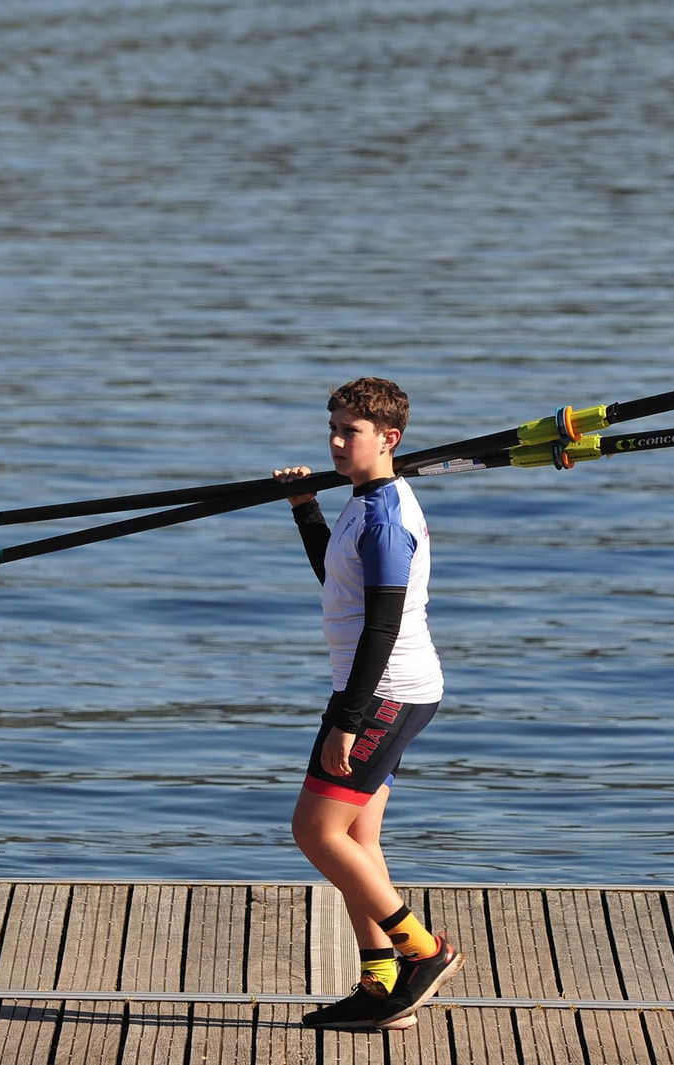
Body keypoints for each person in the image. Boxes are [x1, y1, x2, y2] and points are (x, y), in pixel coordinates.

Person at [273, 377, 463, 1031]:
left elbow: (380, 626)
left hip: (383, 690)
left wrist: (348, 722)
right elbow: (340, 578)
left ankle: (422, 951)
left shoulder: (385, 518)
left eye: (349, 430)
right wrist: (304, 506)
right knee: (356, 836)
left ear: (390, 439)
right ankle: (383, 985)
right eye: (333, 426)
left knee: (314, 831)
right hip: (386, 686)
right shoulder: (365, 499)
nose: (334, 440)